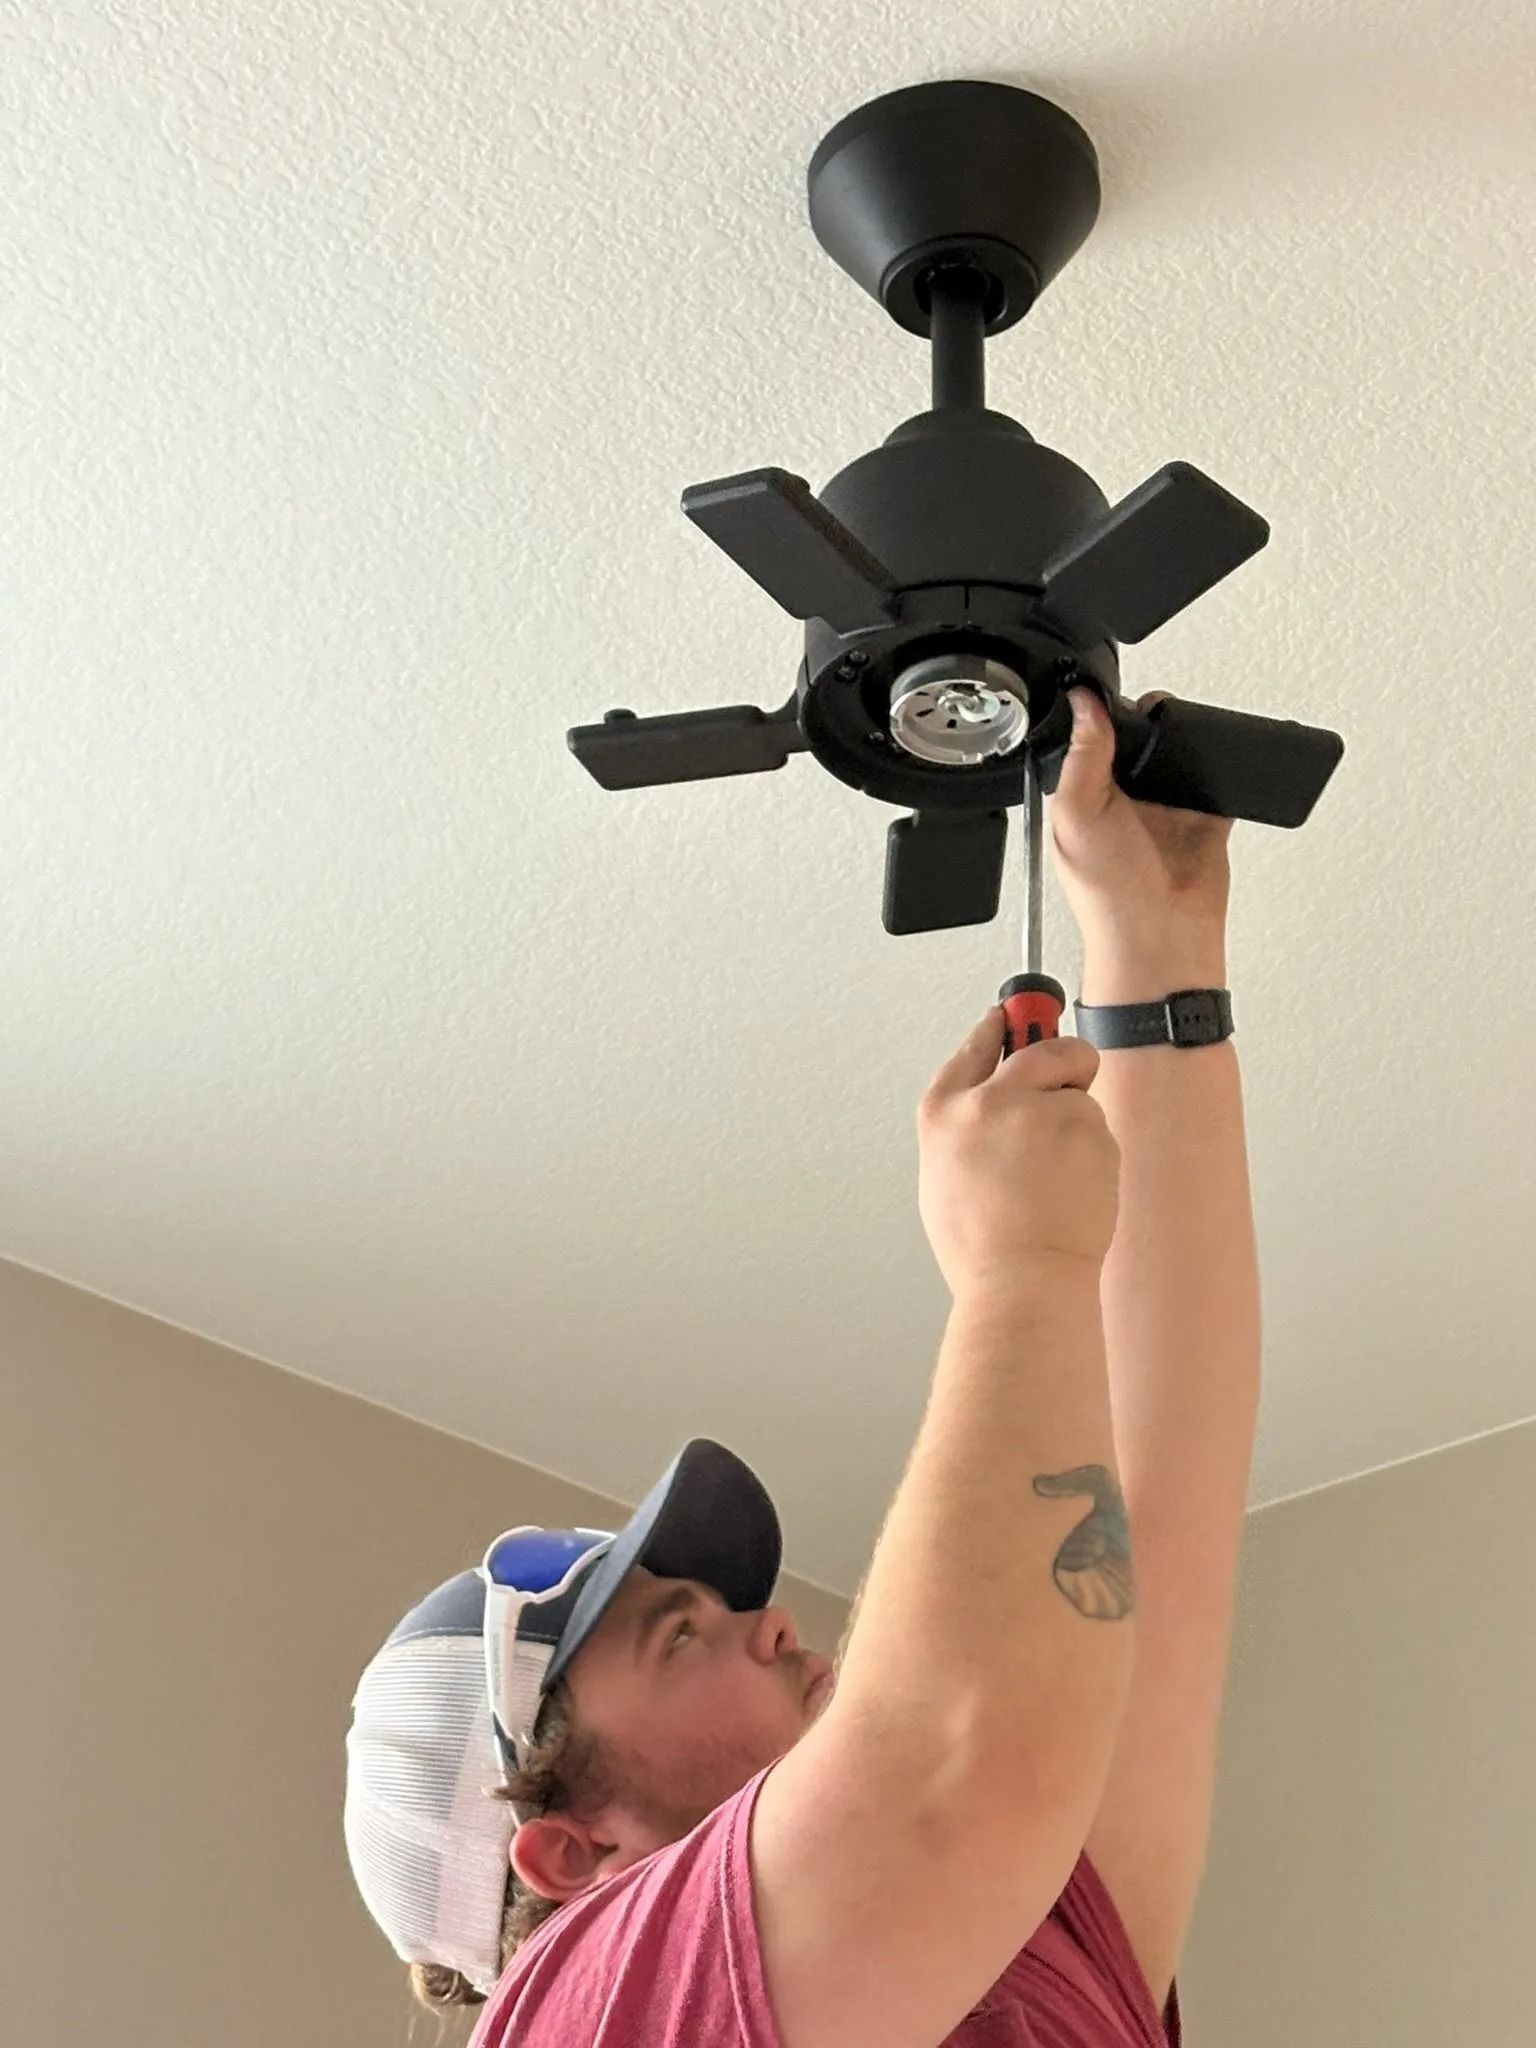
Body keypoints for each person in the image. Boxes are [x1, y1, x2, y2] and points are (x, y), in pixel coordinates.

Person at [343, 687, 1254, 2045]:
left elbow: (1145, 1543)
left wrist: (1160, 951)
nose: (772, 1622)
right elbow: (957, 1762)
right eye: (684, 1633)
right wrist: (1019, 1276)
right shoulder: (583, 2010)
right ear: (569, 1858)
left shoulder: (1003, 1940)